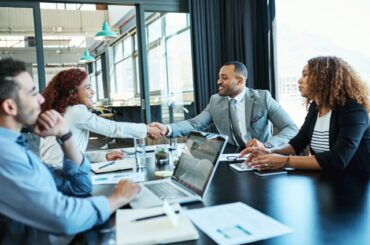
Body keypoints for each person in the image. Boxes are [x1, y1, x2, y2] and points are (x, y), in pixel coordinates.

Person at [0, 58, 139, 242]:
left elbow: (79, 187)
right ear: (10, 106)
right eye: (33, 93)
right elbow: (63, 218)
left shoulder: (17, 148)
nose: (41, 98)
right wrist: (116, 199)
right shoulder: (6, 155)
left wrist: (65, 135)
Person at [240, 56, 370, 174]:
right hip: (324, 182)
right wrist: (269, 152)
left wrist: (285, 161)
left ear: (324, 78)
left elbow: (338, 159)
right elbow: (296, 144)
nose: (299, 80)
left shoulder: (353, 110)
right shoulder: (315, 107)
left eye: (305, 75)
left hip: (355, 184)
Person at [150, 61, 298, 148]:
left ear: (240, 81)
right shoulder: (216, 100)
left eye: (224, 78)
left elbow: (291, 128)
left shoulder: (263, 98)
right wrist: (166, 128)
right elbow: (195, 124)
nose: (218, 82)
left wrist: (266, 146)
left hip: (261, 157)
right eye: (219, 77)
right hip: (230, 157)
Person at [40, 68, 161, 167]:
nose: (93, 92)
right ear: (73, 92)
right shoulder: (75, 112)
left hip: (53, 174)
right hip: (62, 177)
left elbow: (69, 154)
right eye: (87, 88)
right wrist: (147, 129)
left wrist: (103, 157)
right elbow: (113, 128)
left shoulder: (59, 111)